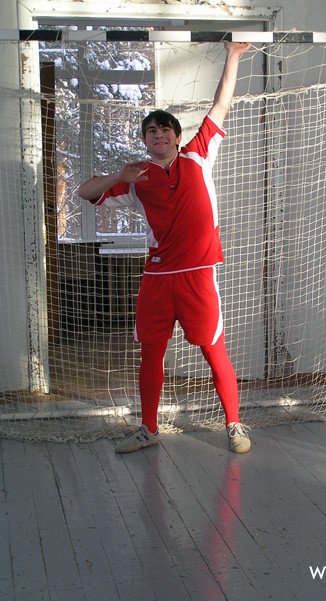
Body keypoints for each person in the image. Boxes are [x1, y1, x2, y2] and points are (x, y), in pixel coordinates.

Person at [77, 41, 252, 454]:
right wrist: (119, 175)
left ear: (177, 136)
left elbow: (221, 104)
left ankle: (234, 424)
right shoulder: (135, 178)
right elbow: (85, 191)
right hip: (157, 278)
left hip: (197, 275)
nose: (158, 134)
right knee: (151, 355)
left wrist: (232, 56)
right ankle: (149, 429)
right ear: (145, 140)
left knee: (214, 350)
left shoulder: (199, 156)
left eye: (164, 129)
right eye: (151, 131)